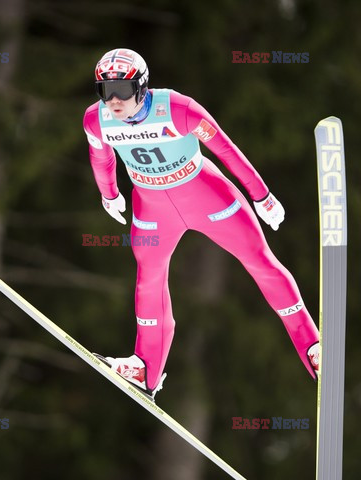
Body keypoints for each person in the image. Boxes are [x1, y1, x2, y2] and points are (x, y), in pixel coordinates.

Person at [83, 48, 319, 399]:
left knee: (260, 261)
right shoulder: (96, 119)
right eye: (106, 91)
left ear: (142, 86)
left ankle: (312, 345)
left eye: (122, 89)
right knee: (148, 279)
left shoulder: (179, 109)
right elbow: (100, 156)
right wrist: (110, 194)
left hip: (208, 197)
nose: (114, 101)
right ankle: (146, 368)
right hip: (152, 207)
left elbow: (226, 151)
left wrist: (262, 195)